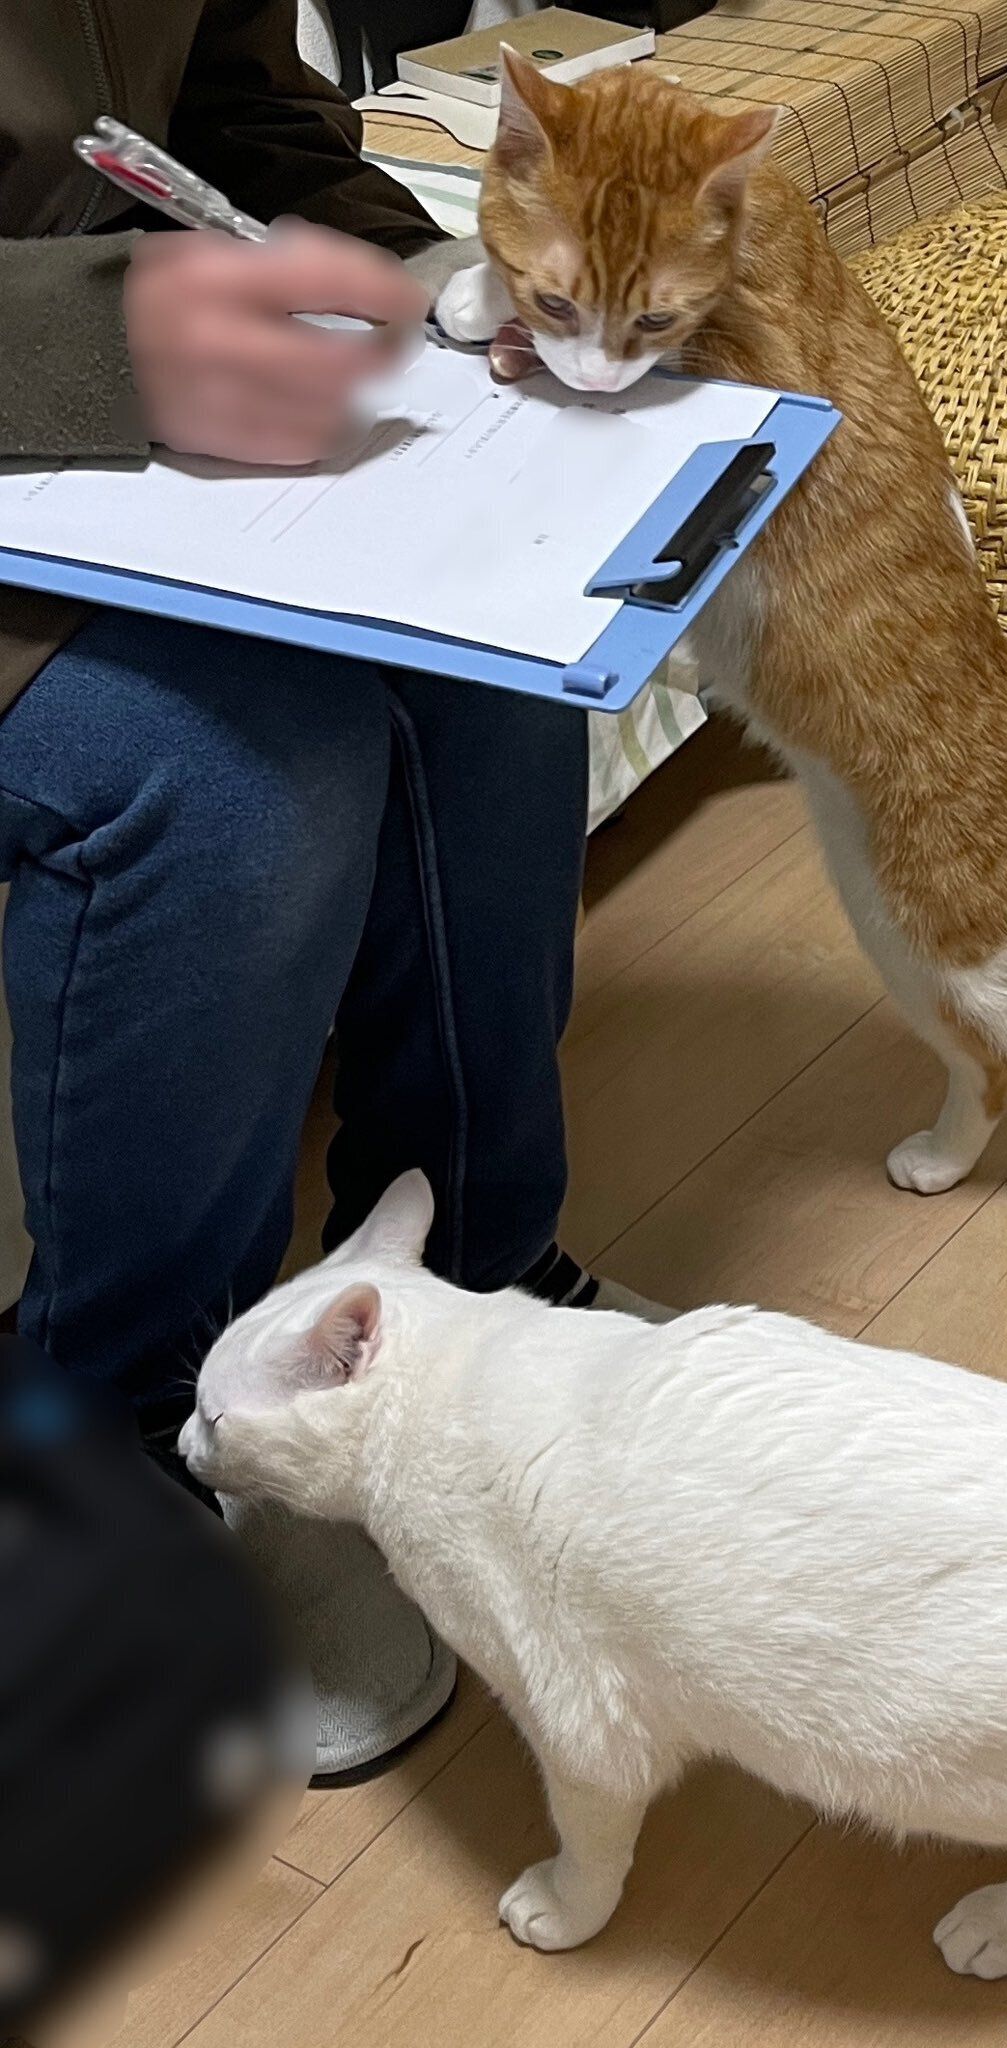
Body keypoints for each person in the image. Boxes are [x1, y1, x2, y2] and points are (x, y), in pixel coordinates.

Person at [0, 1, 660, 1779]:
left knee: (494, 650)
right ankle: (125, 1442)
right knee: (236, 770)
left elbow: (229, 105)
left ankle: (470, 1283)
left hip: (103, 398)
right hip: (56, 377)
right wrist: (86, 343)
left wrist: (432, 281)